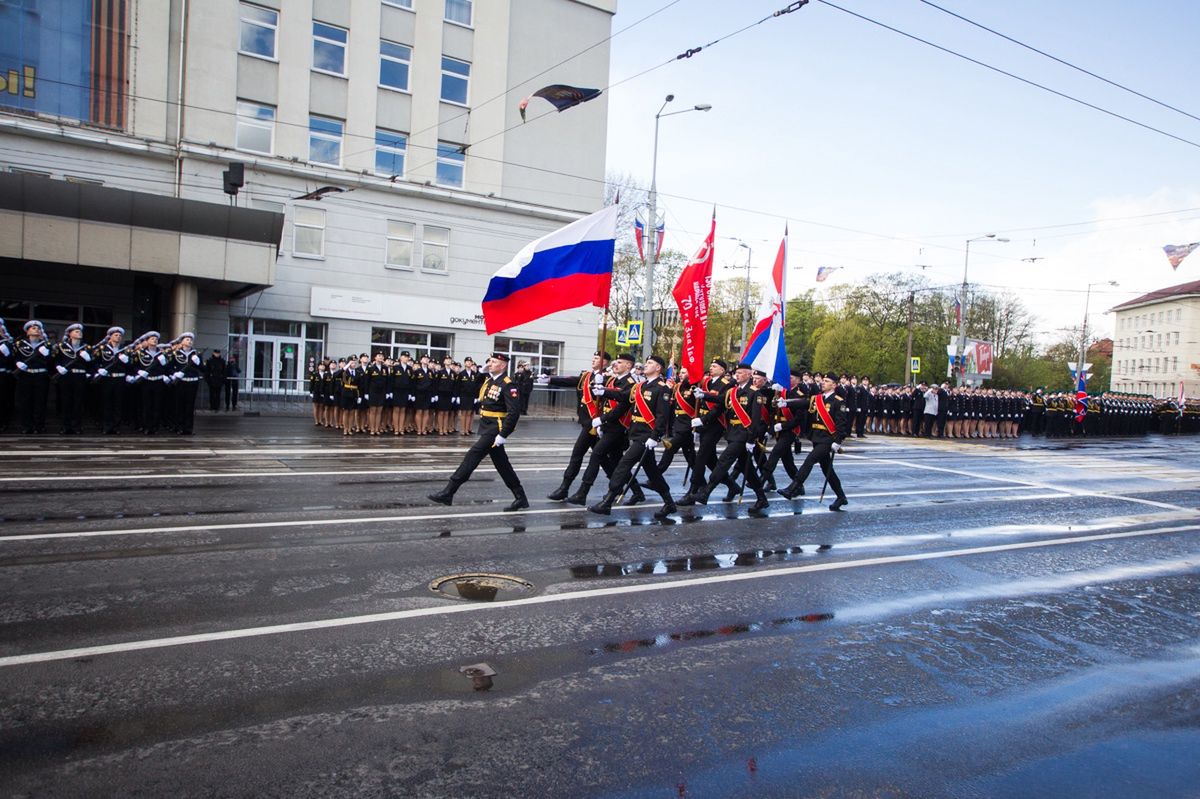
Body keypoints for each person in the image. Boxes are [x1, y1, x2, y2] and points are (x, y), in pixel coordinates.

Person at [428, 352, 528, 511]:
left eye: (494, 362)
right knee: (502, 464)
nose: (490, 364)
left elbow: (514, 412)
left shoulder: (508, 384)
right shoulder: (489, 380)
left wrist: (503, 435)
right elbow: (474, 390)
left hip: (496, 428)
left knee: (472, 455)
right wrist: (482, 373)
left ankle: (449, 491)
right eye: (490, 361)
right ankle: (520, 497)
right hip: (486, 425)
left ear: (503, 366)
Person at [588, 354, 676, 518]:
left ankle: (608, 501)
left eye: (650, 363)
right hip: (636, 433)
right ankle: (669, 503)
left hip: (646, 435)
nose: (646, 365)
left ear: (658, 368)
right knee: (652, 472)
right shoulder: (640, 386)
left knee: (624, 464)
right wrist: (604, 391)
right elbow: (624, 396)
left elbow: (663, 416)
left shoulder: (662, 388)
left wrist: (655, 436)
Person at [677, 361, 771, 512]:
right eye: (736, 373)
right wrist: (704, 395)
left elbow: (755, 419)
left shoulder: (755, 393)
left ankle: (706, 492)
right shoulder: (733, 391)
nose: (737, 375)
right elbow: (720, 400)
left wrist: (751, 440)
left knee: (724, 460)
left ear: (748, 374)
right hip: (733, 433)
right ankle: (761, 498)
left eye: (740, 373)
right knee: (750, 470)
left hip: (744, 434)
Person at [565, 352, 645, 507]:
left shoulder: (630, 383)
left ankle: (583, 492)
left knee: (597, 455)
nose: (615, 364)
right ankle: (637, 492)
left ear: (628, 365)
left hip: (617, 428)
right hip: (608, 426)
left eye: (620, 362)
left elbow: (621, 407)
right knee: (616, 461)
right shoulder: (614, 380)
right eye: (615, 362)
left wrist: (602, 419)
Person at [544, 350, 611, 501]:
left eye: (596, 358)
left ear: (604, 362)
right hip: (587, 422)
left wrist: (604, 383)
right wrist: (550, 380)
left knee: (578, 455)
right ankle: (625, 488)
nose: (593, 360)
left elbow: (612, 395)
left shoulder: (608, 378)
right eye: (593, 358)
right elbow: (571, 380)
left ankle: (565, 488)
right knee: (603, 460)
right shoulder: (587, 376)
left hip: (596, 424)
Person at [779, 374, 850, 511]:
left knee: (810, 460)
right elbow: (803, 402)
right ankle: (841, 497)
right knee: (827, 469)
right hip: (817, 437)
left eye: (827, 381)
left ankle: (793, 487)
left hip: (828, 439)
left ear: (834, 385)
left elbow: (842, 424)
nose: (823, 383)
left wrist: (838, 441)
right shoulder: (817, 398)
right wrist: (786, 403)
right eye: (823, 381)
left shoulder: (838, 401)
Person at [13, 320, 52, 434]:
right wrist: (17, 362)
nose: (37, 330)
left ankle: (39, 426)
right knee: (25, 401)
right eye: (33, 328)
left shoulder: (46, 345)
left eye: (38, 328)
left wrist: (47, 355)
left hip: (41, 375)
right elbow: (13, 357)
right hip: (26, 375)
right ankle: (26, 426)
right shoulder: (19, 344)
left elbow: (52, 363)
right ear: (27, 332)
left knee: (40, 402)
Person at [53, 323, 92, 434]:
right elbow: (55, 359)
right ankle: (65, 426)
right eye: (76, 331)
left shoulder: (86, 347)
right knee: (66, 402)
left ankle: (77, 426)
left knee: (78, 402)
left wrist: (88, 359)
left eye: (80, 331)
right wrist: (58, 366)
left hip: (80, 376)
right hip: (66, 376)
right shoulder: (61, 346)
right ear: (69, 334)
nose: (79, 332)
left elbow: (92, 364)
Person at [168, 333, 204, 434]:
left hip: (192, 382)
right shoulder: (176, 354)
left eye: (191, 340)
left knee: (190, 406)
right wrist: (175, 373)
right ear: (182, 342)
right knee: (179, 405)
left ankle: (188, 428)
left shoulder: (196, 354)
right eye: (187, 339)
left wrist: (198, 363)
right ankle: (179, 427)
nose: (190, 341)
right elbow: (169, 367)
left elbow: (203, 369)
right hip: (181, 382)